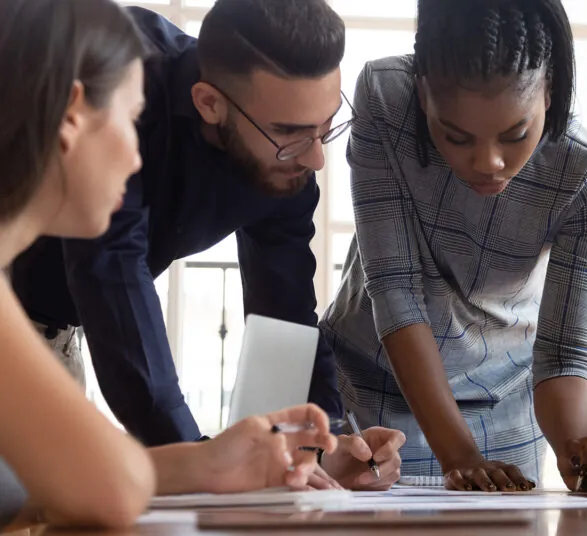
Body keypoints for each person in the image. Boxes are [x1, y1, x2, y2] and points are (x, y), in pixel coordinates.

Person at [0, 0, 398, 529]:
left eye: (325, 127)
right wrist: (200, 459)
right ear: (208, 103)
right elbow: (112, 275)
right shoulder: (122, 66)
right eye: (291, 133)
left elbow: (286, 310)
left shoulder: (292, 154)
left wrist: (313, 446)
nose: (315, 157)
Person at [320, 0, 587, 491]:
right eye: (457, 137)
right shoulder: (384, 98)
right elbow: (395, 289)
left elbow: (565, 354)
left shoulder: (585, 177)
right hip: (366, 402)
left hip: (504, 414)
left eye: (515, 134)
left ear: (548, 91)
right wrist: (458, 454)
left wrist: (577, 454)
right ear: (423, 96)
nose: (489, 163)